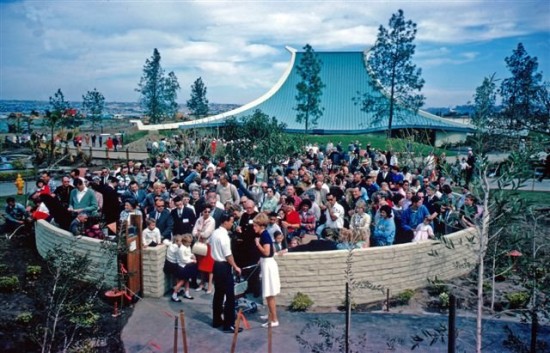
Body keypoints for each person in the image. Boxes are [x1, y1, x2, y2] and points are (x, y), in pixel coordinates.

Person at [210, 213, 242, 333]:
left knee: (218, 294)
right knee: (230, 296)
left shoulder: (215, 233)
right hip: (223, 266)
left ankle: (216, 320)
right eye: (231, 221)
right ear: (225, 222)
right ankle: (228, 325)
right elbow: (228, 255)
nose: (232, 224)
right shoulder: (224, 237)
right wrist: (236, 267)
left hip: (216, 265)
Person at [253, 213, 280, 328]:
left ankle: (274, 320)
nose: (253, 227)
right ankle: (270, 314)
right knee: (268, 293)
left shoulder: (264, 236)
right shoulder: (264, 234)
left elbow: (267, 252)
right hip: (266, 263)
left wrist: (258, 244)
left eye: (255, 225)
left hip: (268, 266)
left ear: (261, 226)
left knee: (270, 294)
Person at [192, 206, 216, 293]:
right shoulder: (199, 219)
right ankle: (202, 283)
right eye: (205, 211)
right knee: (201, 265)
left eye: (209, 212)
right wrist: (199, 233)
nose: (207, 213)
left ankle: (209, 285)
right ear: (202, 212)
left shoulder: (212, 220)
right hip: (200, 245)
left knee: (209, 267)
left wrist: (199, 233)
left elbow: (207, 234)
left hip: (208, 245)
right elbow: (193, 231)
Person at [171, 234, 197, 302]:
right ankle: (174, 295)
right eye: (189, 242)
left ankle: (187, 293)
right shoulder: (181, 249)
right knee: (181, 281)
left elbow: (189, 254)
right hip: (182, 267)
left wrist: (192, 255)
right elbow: (184, 259)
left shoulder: (188, 247)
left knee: (187, 280)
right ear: (184, 242)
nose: (190, 243)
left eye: (191, 242)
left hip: (187, 265)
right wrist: (192, 260)